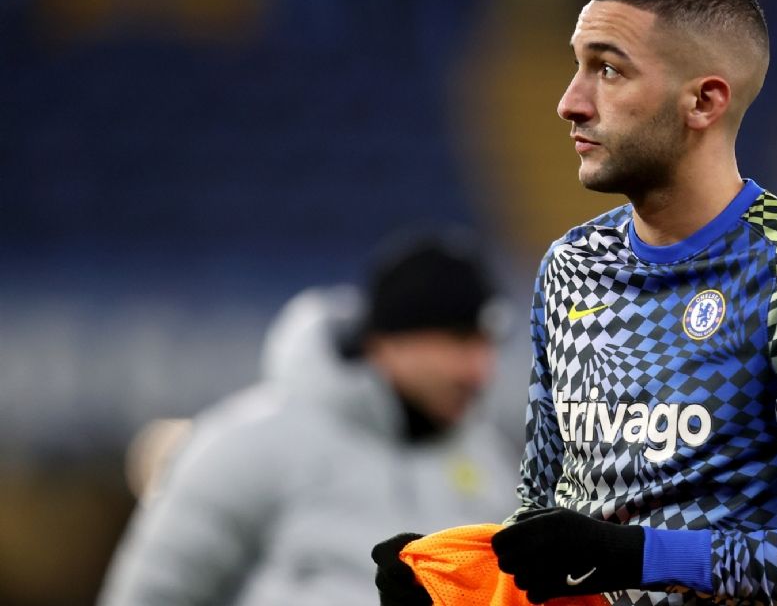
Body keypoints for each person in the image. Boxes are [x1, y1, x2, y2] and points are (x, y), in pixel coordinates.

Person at [374, 0, 777, 606]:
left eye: (608, 70)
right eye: (577, 67)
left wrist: (642, 557)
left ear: (703, 102)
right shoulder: (572, 267)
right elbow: (546, 531)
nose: (570, 101)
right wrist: (455, 581)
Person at [98, 234, 520, 605]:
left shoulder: (489, 462)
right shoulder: (250, 443)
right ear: (389, 341)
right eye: (459, 342)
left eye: (488, 345)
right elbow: (150, 595)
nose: (479, 371)